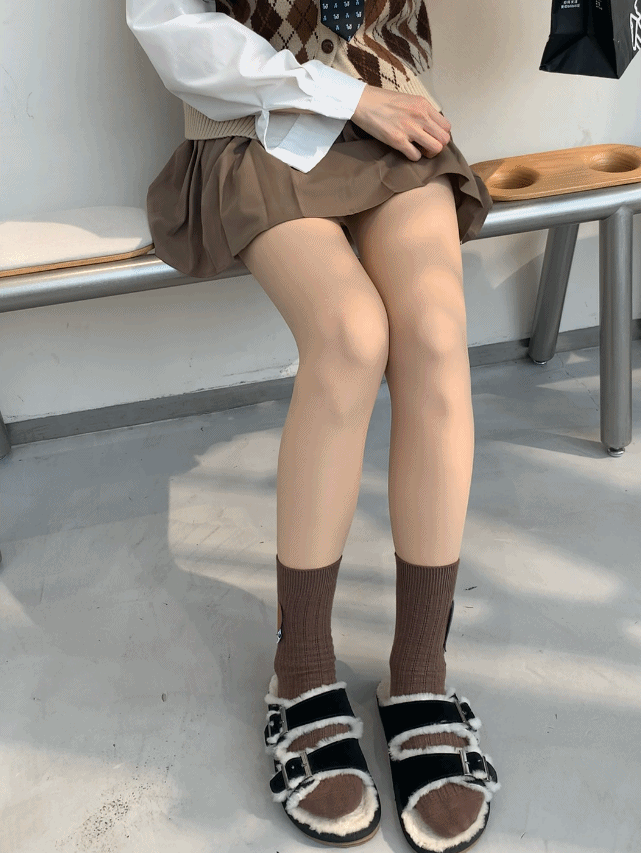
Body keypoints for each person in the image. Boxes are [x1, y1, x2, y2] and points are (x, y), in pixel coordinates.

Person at [126, 2, 500, 850]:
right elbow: (170, 30)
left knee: (436, 336)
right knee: (349, 336)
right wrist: (344, 97)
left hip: (394, 115)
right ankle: (298, 673)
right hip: (254, 125)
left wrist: (371, 99)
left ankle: (420, 674)